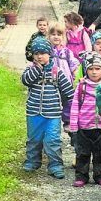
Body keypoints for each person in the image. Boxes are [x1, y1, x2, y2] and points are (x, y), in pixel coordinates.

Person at [21, 36, 73, 178]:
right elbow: (25, 81)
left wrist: (75, 108)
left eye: (43, 53)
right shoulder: (30, 70)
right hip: (34, 112)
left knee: (52, 140)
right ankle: (33, 161)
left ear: (49, 54)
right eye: (36, 54)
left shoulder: (57, 72)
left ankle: (55, 165)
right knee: (34, 139)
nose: (39, 56)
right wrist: (37, 69)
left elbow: (69, 91)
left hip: (53, 114)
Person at [69, 52, 101, 187]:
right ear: (86, 70)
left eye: (97, 69)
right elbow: (75, 106)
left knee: (100, 153)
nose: (94, 72)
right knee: (83, 153)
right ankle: (81, 175)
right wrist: (74, 125)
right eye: (90, 69)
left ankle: (100, 175)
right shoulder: (82, 87)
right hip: (84, 127)